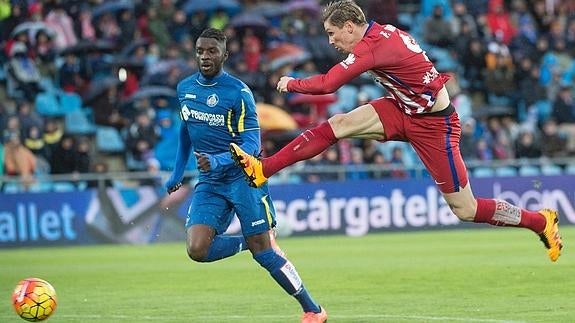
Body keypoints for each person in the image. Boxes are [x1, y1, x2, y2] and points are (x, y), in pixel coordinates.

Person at [230, 0, 562, 262]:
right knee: (338, 125)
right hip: (402, 108)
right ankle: (263, 169)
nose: (331, 41)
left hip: (436, 126)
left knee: (466, 209)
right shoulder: (380, 34)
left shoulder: (374, 46)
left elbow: (328, 83)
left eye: (333, 33)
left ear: (350, 26)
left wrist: (292, 82)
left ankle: (539, 221)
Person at [164, 28, 327, 323]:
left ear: (225, 55)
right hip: (211, 183)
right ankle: (246, 242)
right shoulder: (185, 88)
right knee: (197, 249)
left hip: (244, 178)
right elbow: (186, 130)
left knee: (264, 254)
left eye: (211, 51)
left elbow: (253, 145)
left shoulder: (238, 92)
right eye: (200, 51)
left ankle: (313, 309)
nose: (204, 56)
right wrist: (177, 172)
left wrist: (216, 159)